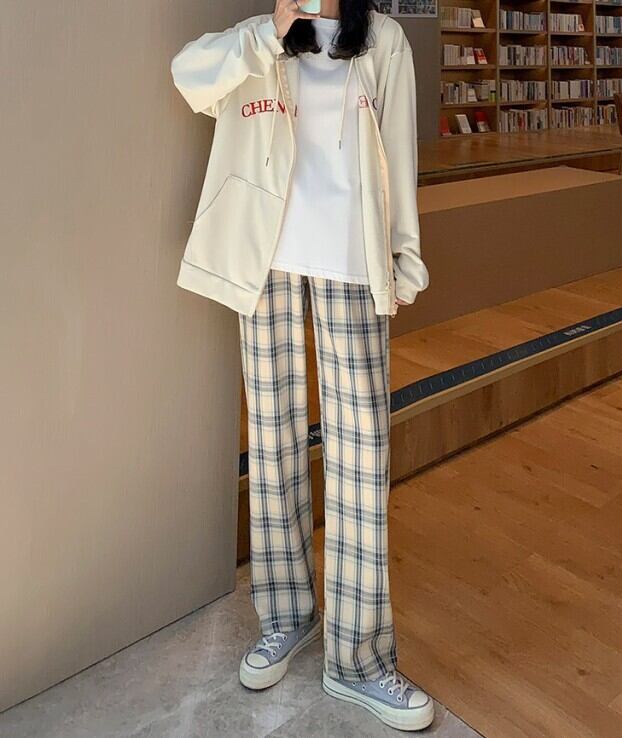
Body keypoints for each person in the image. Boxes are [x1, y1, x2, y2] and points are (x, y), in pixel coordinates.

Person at [170, 0, 432, 730]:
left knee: (361, 457)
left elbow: (401, 155)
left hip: (351, 262)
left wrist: (404, 256)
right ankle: (287, 616)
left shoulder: (384, 41)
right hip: (266, 267)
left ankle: (360, 660)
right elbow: (188, 78)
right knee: (274, 445)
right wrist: (269, 30)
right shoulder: (260, 37)